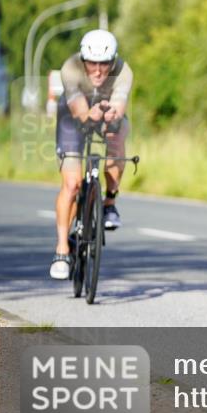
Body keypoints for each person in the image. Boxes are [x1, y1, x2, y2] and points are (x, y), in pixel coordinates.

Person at [48, 29, 134, 280]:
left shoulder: (124, 71)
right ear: (83, 60)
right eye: (92, 63)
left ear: (113, 61)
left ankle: (109, 203)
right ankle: (62, 249)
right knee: (72, 184)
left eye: (104, 64)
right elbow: (79, 112)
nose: (98, 70)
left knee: (118, 134)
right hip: (72, 118)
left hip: (105, 111)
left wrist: (111, 117)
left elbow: (119, 105)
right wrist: (90, 116)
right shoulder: (70, 68)